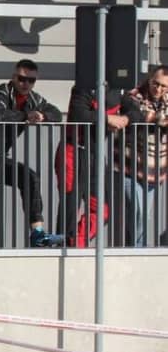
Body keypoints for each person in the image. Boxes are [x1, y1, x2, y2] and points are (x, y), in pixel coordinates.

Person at [0, 59, 65, 247]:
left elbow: (56, 113)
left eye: (31, 80)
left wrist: (42, 116)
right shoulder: (2, 92)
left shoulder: (33, 99)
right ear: (13, 77)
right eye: (21, 79)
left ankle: (38, 234)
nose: (25, 84)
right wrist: (26, 116)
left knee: (29, 177)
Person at [54, 83, 128, 247]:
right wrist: (108, 119)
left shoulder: (119, 89)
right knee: (70, 206)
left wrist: (125, 119)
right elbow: (78, 114)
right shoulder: (82, 87)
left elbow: (136, 112)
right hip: (72, 151)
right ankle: (61, 248)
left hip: (95, 155)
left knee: (104, 209)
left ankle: (75, 243)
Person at [114, 66, 168, 247]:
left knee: (144, 216)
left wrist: (158, 118)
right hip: (130, 166)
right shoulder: (135, 95)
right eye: (156, 83)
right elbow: (139, 115)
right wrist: (159, 119)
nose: (158, 89)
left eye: (164, 86)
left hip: (154, 169)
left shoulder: (166, 99)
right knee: (138, 212)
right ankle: (137, 250)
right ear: (150, 79)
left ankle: (136, 249)